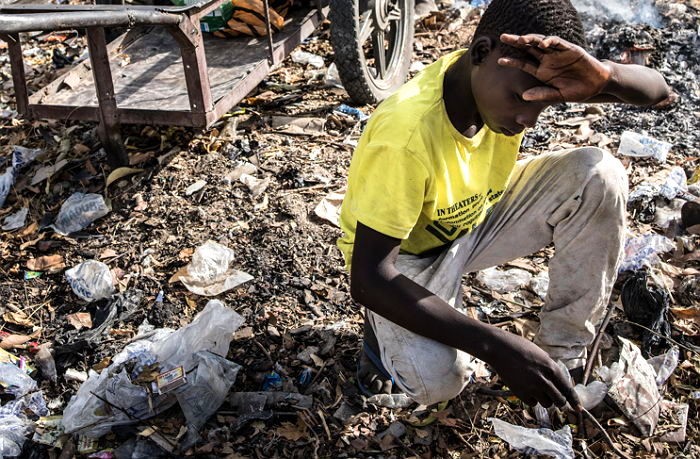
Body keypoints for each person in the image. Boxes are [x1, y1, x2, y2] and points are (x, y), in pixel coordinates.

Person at [337, 0, 670, 410]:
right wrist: (496, 346)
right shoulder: (406, 135)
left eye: (545, 104)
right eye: (522, 99)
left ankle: (561, 362)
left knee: (600, 176)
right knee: (440, 383)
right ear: (480, 53)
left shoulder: (511, 78)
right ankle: (379, 338)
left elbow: (660, 93)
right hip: (404, 257)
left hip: (473, 215)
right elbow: (369, 277)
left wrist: (605, 76)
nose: (529, 118)